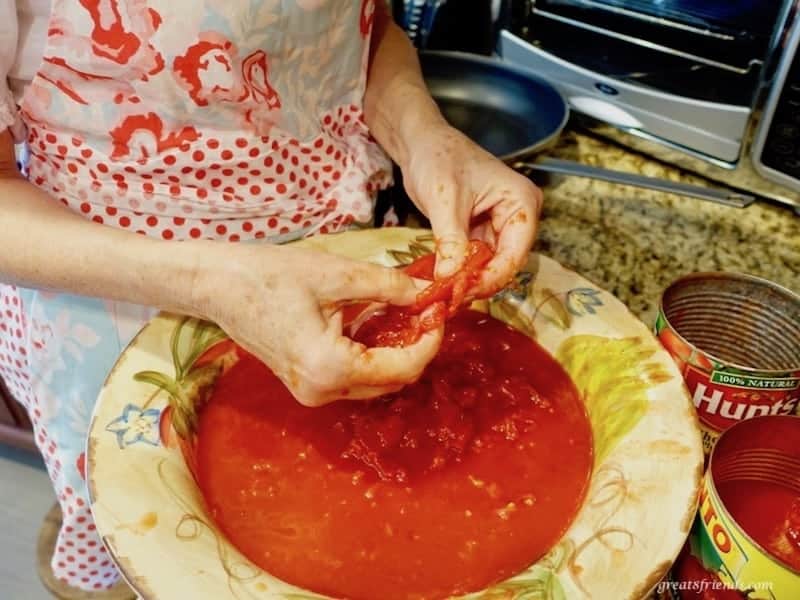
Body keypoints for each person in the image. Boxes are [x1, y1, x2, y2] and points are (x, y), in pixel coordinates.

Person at [0, 0, 541, 593]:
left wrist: (422, 137)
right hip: (115, 291)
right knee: (134, 533)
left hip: (337, 266)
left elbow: (363, 28)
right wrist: (212, 283)